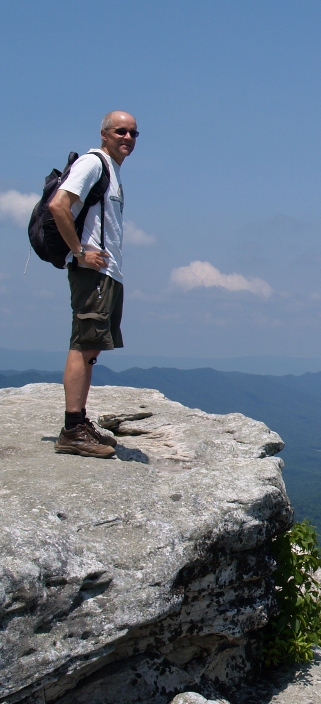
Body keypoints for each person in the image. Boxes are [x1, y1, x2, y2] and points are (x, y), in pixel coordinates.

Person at [48, 111, 138, 458]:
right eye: (120, 131)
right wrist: (79, 252)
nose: (127, 137)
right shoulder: (93, 163)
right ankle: (72, 430)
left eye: (133, 132)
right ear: (104, 133)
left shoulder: (111, 171)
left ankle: (79, 422)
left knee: (92, 347)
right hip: (93, 272)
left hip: (107, 272)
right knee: (84, 344)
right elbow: (60, 205)